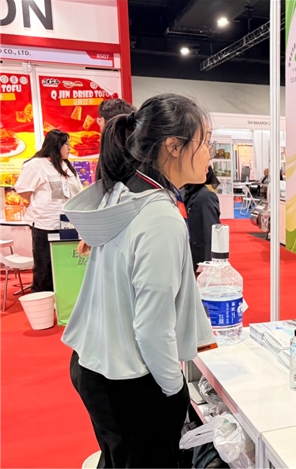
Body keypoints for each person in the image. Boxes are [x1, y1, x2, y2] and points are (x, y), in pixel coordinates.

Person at [61, 94, 216, 468]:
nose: (210, 154)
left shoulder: (124, 192)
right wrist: (174, 391)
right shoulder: (160, 217)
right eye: (205, 142)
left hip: (95, 366)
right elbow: (151, 327)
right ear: (173, 146)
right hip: (130, 382)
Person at [14, 129, 83, 292]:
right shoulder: (36, 165)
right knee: (44, 269)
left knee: (65, 266)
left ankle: (62, 300)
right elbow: (24, 191)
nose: (70, 148)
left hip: (68, 225)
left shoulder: (66, 165)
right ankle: (42, 298)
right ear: (56, 145)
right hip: (44, 224)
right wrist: (41, 205)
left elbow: (77, 191)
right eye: (66, 144)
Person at [77, 98, 137, 256]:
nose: (98, 124)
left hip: (118, 235)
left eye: (100, 120)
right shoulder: (138, 149)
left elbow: (106, 194)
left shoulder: (111, 155)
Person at [183, 166, 221, 272]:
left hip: (200, 257)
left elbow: (211, 230)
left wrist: (209, 262)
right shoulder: (187, 193)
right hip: (189, 253)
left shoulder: (206, 197)